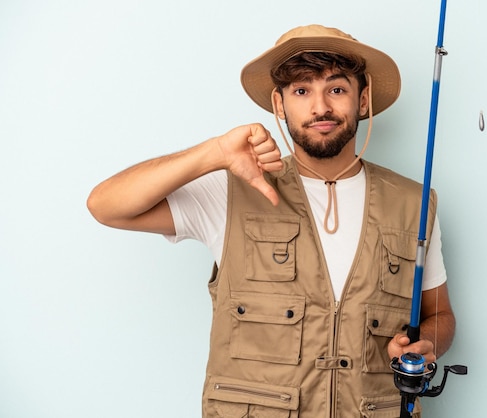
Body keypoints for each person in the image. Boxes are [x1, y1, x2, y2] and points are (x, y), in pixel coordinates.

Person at [87, 24, 455, 418]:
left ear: (362, 99)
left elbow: (440, 316)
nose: (320, 108)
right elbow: (107, 205)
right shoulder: (233, 190)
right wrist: (213, 153)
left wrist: (426, 344)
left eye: (336, 89)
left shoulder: (413, 204)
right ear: (279, 106)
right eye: (301, 91)